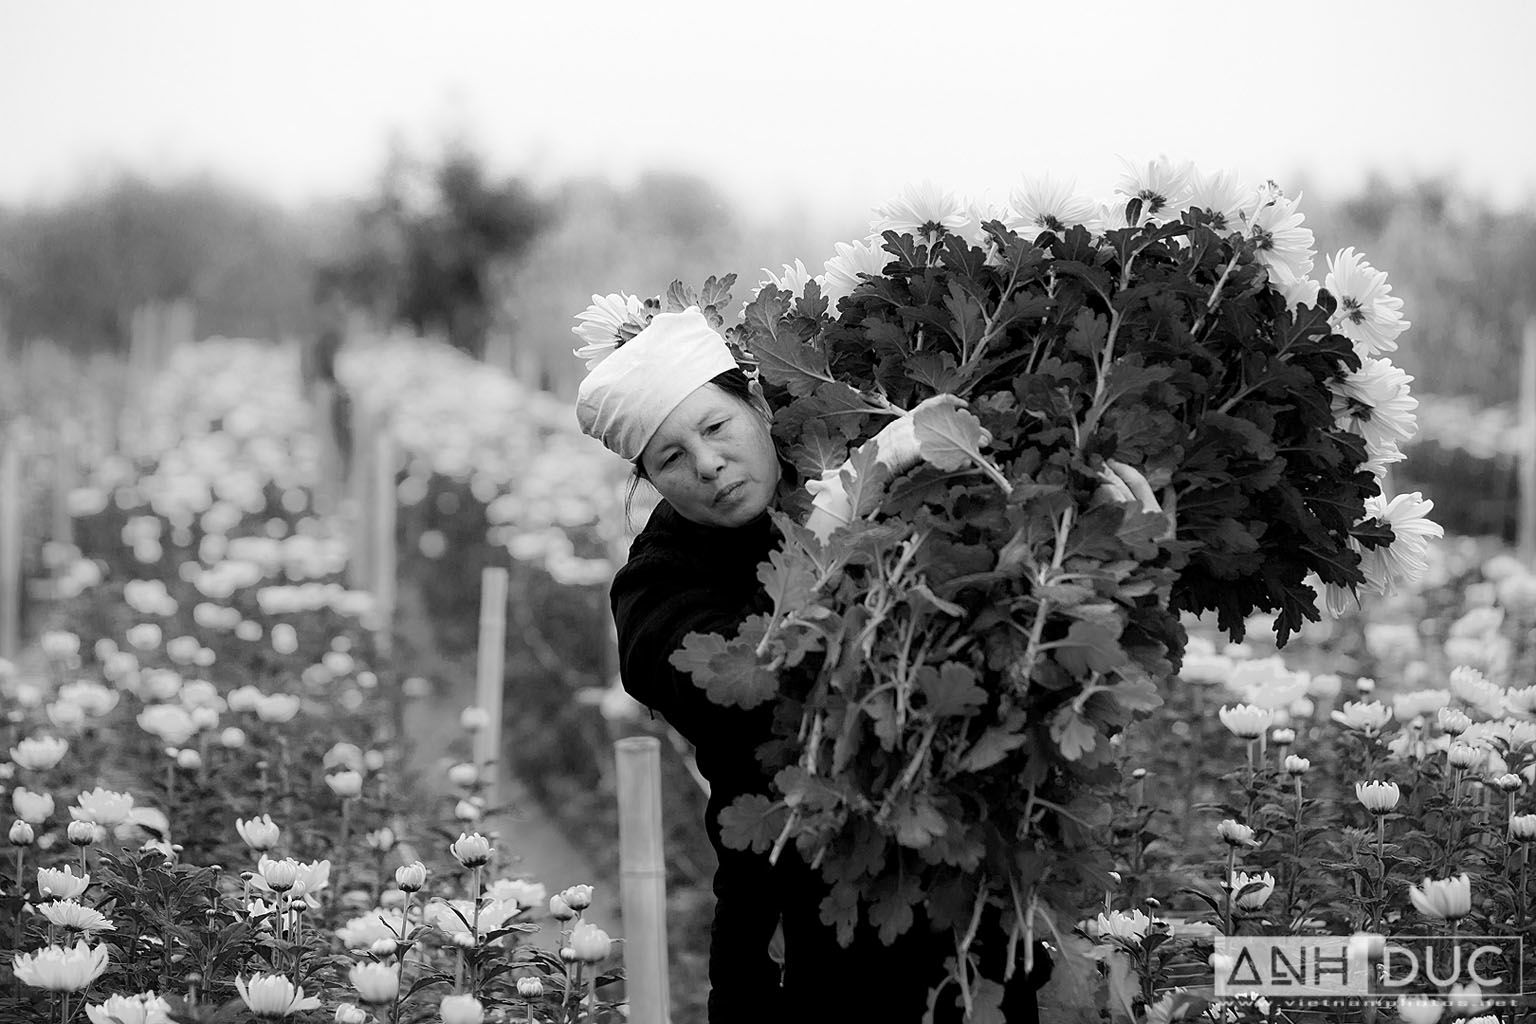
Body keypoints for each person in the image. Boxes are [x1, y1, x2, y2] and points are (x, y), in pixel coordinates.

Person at [578, 307, 1154, 1021]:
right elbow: (749, 684)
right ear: (650, 480)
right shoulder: (658, 587)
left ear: (757, 404)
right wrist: (842, 504)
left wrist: (1108, 542)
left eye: (717, 427)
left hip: (979, 898)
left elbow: (1026, 643)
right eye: (669, 458)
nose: (707, 464)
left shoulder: (903, 484)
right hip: (799, 933)